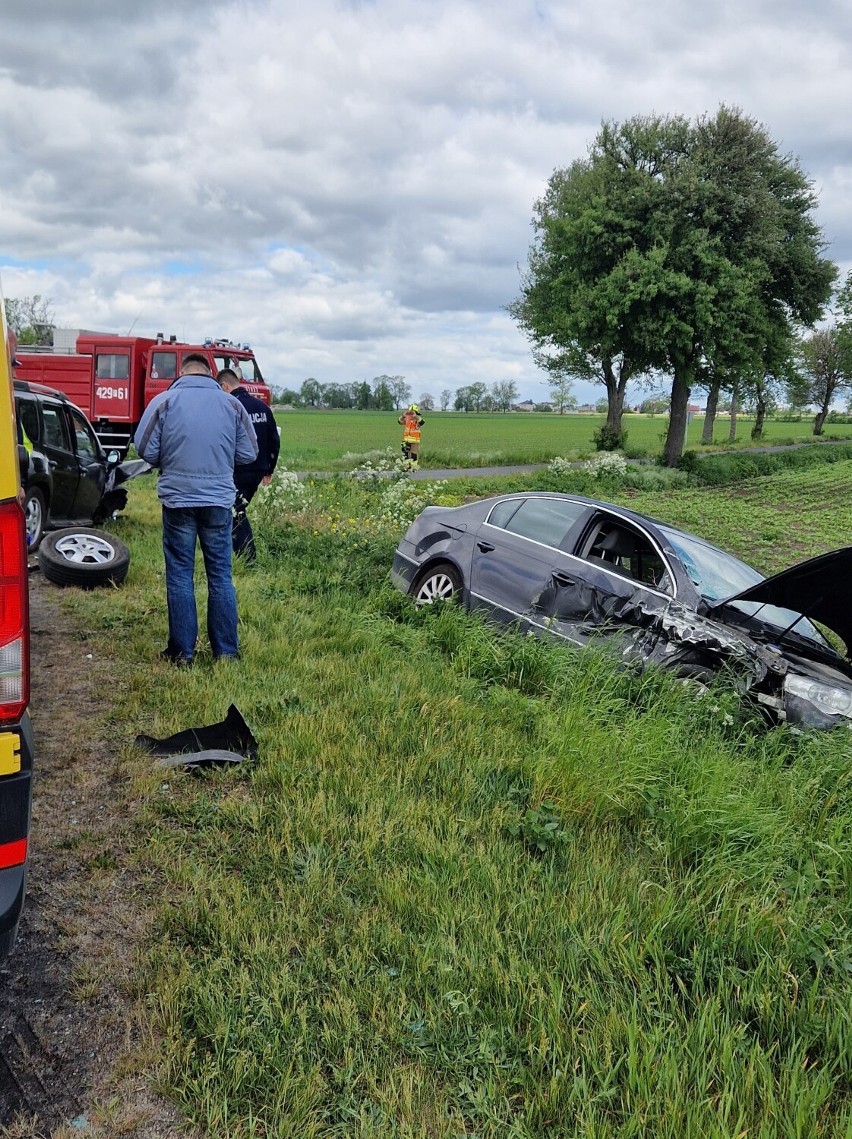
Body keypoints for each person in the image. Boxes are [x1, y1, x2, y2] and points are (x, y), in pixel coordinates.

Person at [134, 352, 258, 665]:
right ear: (209, 374)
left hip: (178, 500)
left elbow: (144, 448)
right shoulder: (232, 405)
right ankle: (226, 652)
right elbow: (249, 453)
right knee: (220, 575)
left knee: (179, 575)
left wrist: (169, 460)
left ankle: (182, 653)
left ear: (183, 372)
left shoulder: (165, 401)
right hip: (218, 501)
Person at [216, 368, 280, 562]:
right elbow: (274, 439)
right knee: (236, 510)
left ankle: (247, 557)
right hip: (259, 469)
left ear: (224, 386)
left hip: (238, 470)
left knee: (235, 512)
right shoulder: (262, 407)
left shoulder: (230, 407)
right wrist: (269, 469)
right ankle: (236, 554)